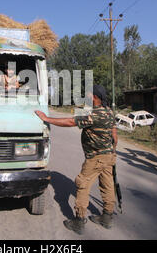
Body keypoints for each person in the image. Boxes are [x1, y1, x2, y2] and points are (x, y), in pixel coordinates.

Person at [34, 85, 118, 235]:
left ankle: (78, 221)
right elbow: (115, 135)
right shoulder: (109, 112)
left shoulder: (92, 113)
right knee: (108, 185)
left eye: (88, 95)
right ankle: (107, 217)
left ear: (95, 97)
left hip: (95, 158)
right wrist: (112, 149)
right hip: (108, 155)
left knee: (82, 184)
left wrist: (46, 118)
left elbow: (70, 122)